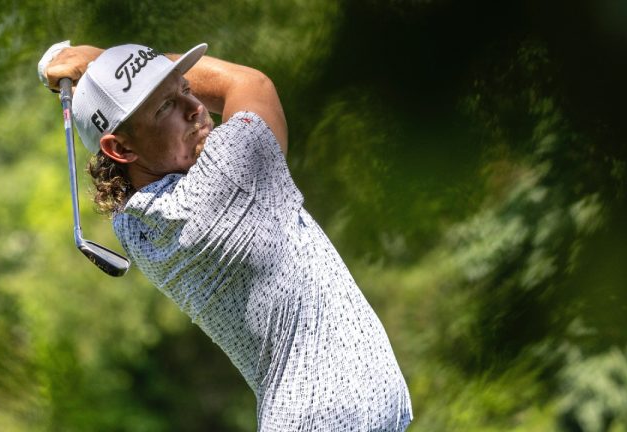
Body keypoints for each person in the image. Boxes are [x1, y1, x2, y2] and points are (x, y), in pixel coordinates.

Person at [38, 40, 413, 431]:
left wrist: (113, 79)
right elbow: (250, 84)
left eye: (184, 87)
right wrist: (101, 61)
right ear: (120, 147)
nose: (195, 106)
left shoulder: (134, 225)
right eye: (165, 106)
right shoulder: (224, 180)